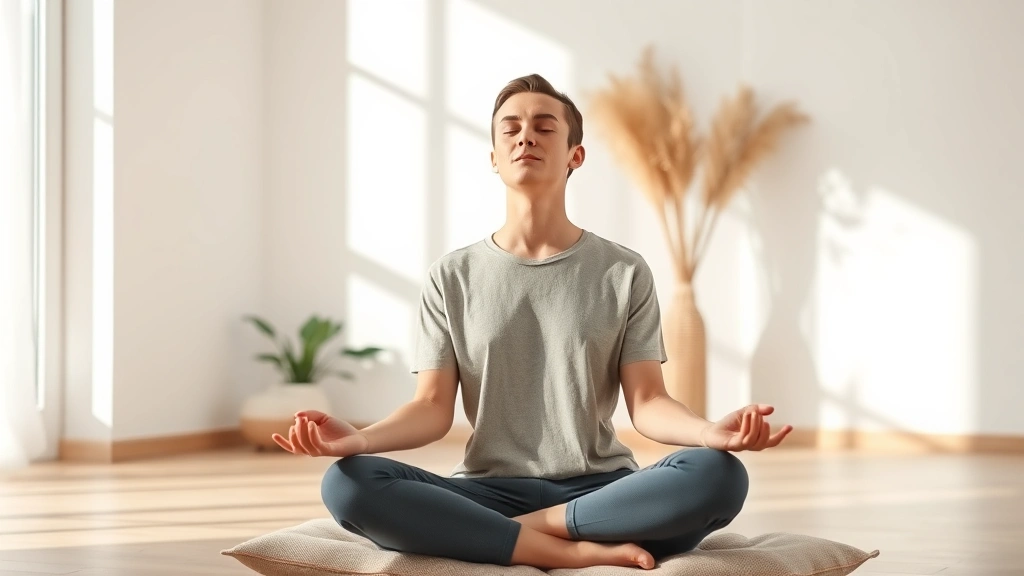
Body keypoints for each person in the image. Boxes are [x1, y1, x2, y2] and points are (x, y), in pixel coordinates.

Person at [272, 74, 793, 571]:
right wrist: (359, 440)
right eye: (511, 128)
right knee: (347, 484)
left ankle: (508, 533)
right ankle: (568, 551)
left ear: (575, 155)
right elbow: (431, 408)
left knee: (717, 475)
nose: (527, 138)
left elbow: (648, 402)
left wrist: (708, 432)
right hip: (483, 489)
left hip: (603, 491)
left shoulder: (623, 271)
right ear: (494, 158)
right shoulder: (451, 276)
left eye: (545, 127)